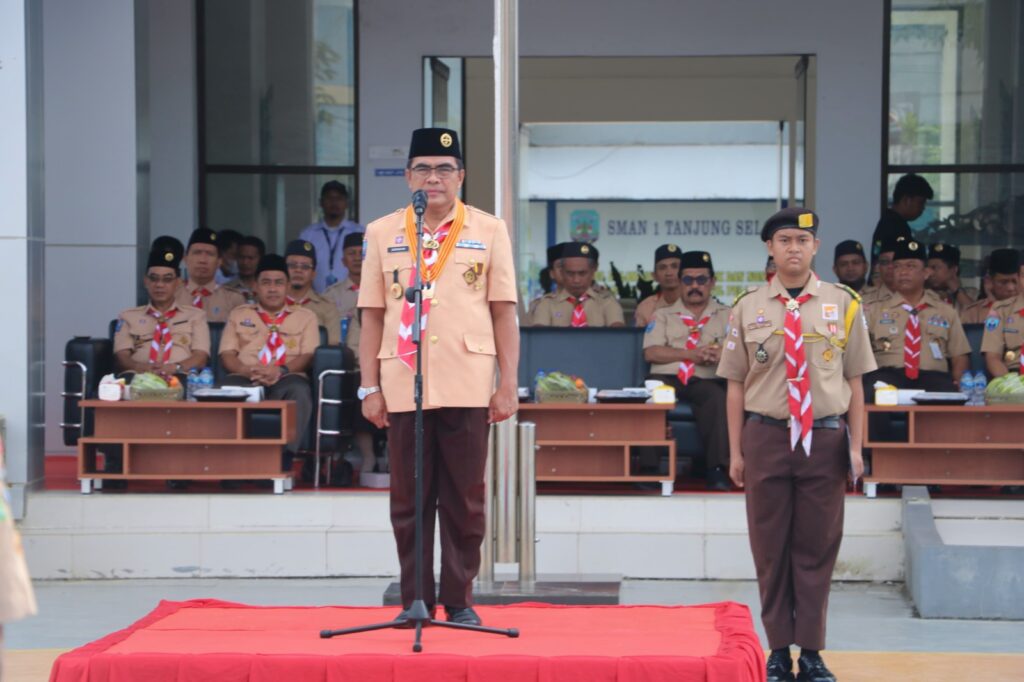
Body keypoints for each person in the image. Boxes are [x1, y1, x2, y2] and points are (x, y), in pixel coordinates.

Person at [357, 127, 518, 627]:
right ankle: (415, 599)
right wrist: (369, 386)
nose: (434, 177)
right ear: (408, 176)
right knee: (409, 500)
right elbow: (371, 315)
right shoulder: (384, 232)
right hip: (405, 380)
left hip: (468, 381)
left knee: (465, 500)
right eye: (424, 168)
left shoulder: (489, 230)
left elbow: (503, 311)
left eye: (445, 168)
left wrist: (507, 381)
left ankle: (459, 597)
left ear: (461, 177)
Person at [717, 207, 875, 682]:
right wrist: (737, 452)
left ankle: (811, 651)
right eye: (784, 240)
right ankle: (776, 650)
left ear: (816, 248)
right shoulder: (747, 306)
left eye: (802, 240)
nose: (793, 248)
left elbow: (856, 382)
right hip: (766, 435)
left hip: (824, 439)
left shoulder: (843, 302)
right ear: (769, 248)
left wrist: (856, 448)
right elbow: (735, 386)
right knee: (770, 547)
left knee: (817, 547)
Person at [643, 250, 731, 490]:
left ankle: (716, 470)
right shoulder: (662, 315)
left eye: (701, 280)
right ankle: (648, 469)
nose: (695, 286)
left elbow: (739, 351)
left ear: (712, 282)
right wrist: (691, 354)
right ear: (680, 282)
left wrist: (719, 354)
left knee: (717, 398)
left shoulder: (727, 315)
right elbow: (651, 352)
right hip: (667, 377)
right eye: (688, 280)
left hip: (705, 379)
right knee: (652, 395)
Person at [220, 254, 319, 460]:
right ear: (255, 286)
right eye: (266, 283)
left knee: (299, 391)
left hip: (287, 376)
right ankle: (230, 460)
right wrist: (245, 370)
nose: (272, 289)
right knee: (225, 391)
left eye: (278, 283)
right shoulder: (239, 314)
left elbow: (308, 355)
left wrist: (280, 370)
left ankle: (285, 457)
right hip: (247, 375)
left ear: (288, 286)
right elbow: (227, 353)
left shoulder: (306, 317)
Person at [863, 238, 970, 398]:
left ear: (926, 273)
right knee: (871, 392)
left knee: (948, 395)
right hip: (887, 375)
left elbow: (959, 355)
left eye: (911, 266)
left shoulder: (945, 311)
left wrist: (958, 381)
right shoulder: (873, 309)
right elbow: (858, 353)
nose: (903, 272)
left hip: (933, 376)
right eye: (897, 267)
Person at [114, 248, 210, 377]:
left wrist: (175, 367)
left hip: (179, 376)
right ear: (145, 281)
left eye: (167, 279)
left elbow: (200, 357)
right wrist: (140, 367)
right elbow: (121, 356)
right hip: (139, 377)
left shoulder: (196, 316)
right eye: (154, 279)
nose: (159, 285)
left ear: (178, 283)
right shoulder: (128, 316)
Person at [527, 242, 625, 327]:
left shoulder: (607, 303)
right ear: (562, 273)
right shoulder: (547, 304)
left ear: (592, 272)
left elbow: (618, 337)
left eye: (582, 273)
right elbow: (539, 338)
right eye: (570, 273)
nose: (576, 280)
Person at [299, 180, 364, 293]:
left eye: (339, 198)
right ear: (321, 202)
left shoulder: (359, 232)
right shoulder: (308, 234)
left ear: (346, 203)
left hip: (352, 297)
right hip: (315, 299)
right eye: (329, 198)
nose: (334, 203)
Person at [175, 228, 246, 323]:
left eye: (210, 254)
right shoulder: (171, 296)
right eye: (197, 253)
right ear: (185, 258)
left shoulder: (233, 299)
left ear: (219, 262)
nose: (203, 260)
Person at [283, 239, 343, 345]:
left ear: (313, 274)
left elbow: (332, 349)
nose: (298, 270)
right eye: (292, 265)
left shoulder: (327, 308)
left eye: (305, 267)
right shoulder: (271, 303)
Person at [870, 173, 933, 266]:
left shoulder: (891, 221)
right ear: (907, 200)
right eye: (920, 203)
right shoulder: (895, 227)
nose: (922, 208)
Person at [981, 250, 1024, 378]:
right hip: (1014, 378)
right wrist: (1012, 386)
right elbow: (993, 358)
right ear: (1018, 279)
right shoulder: (1000, 310)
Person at [962, 248, 1020, 324]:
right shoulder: (973, 313)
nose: (1011, 288)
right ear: (989, 281)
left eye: (1015, 282)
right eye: (1003, 282)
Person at [634, 244, 685, 327]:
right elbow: (641, 339)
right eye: (662, 268)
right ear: (655, 276)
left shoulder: (698, 302)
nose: (669, 273)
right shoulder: (646, 307)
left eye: (675, 266)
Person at [322, 231, 365, 329]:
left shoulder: (381, 291)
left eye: (361, 253)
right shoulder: (331, 295)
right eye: (351, 253)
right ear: (343, 261)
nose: (357, 258)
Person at [926, 243, 977, 314]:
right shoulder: (922, 294)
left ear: (954, 270)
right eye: (928, 268)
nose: (930, 272)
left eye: (935, 268)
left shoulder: (972, 294)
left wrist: (957, 291)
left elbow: (975, 315)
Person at [860, 238, 900, 309]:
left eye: (895, 261)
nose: (890, 266)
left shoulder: (921, 297)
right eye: (885, 262)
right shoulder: (862, 301)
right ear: (878, 267)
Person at [224, 236, 265, 304]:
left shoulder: (268, 288)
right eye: (241, 257)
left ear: (261, 259)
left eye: (250, 258)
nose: (245, 262)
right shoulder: (226, 289)